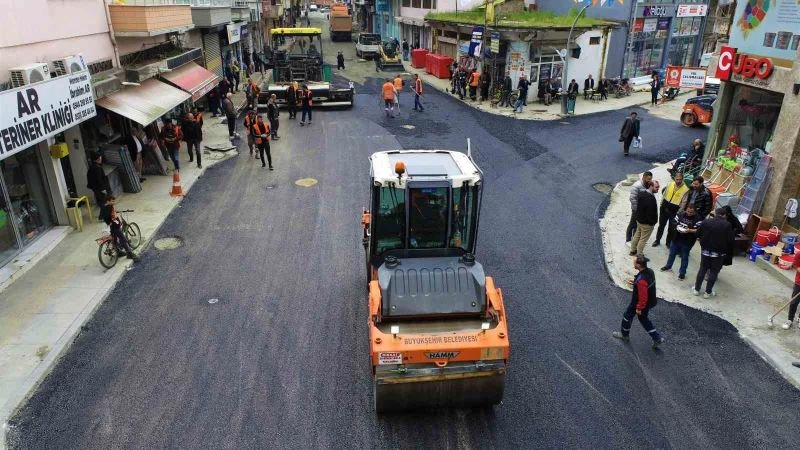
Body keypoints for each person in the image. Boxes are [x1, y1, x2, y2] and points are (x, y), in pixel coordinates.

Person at [612, 255, 665, 348]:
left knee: (627, 316)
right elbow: (646, 285)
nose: (633, 263)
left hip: (639, 303)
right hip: (649, 302)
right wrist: (635, 282)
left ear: (639, 265)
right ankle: (657, 338)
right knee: (644, 319)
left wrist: (639, 308)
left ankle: (624, 335)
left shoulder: (641, 281)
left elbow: (643, 295)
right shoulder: (650, 272)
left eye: (634, 262)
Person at [693, 207, 735, 298]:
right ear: (724, 215)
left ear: (715, 213)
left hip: (705, 251)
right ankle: (708, 293)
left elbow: (697, 234)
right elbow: (731, 240)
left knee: (702, 269)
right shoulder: (727, 225)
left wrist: (703, 242)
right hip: (719, 254)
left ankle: (696, 289)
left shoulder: (706, 222)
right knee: (714, 272)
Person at [660, 203, 702, 280]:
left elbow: (699, 230)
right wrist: (677, 226)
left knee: (684, 257)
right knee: (672, 254)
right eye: (688, 211)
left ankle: (682, 273)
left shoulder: (698, 219)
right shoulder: (680, 214)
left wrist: (689, 230)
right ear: (686, 209)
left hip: (687, 241)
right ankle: (668, 266)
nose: (689, 213)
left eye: (691, 212)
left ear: (695, 212)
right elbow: (674, 222)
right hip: (676, 238)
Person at [653, 172, 688, 247]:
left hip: (675, 211)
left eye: (680, 179)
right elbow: (664, 194)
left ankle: (668, 243)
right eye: (677, 179)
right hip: (664, 208)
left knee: (671, 228)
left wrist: (679, 212)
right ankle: (657, 240)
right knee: (661, 226)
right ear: (674, 178)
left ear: (683, 179)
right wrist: (661, 204)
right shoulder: (669, 184)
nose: (678, 181)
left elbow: (684, 203)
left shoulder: (685, 189)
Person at [100, 196, 139, 261]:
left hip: (111, 226)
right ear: (108, 201)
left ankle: (118, 252)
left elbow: (102, 217)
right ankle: (130, 254)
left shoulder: (103, 206)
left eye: (114, 201)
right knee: (123, 239)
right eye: (112, 201)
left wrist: (110, 220)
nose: (114, 202)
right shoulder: (109, 207)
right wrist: (111, 220)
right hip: (115, 225)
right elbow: (108, 215)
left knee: (114, 238)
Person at [630, 180, 660, 257]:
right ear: (651, 186)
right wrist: (652, 222)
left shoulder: (642, 193)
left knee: (637, 235)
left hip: (639, 220)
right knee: (643, 239)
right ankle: (639, 255)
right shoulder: (650, 199)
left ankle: (633, 250)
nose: (658, 189)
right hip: (647, 223)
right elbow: (650, 213)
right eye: (656, 187)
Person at [626, 171, 653, 244]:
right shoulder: (636, 186)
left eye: (650, 179)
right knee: (632, 224)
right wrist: (637, 210)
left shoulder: (649, 184)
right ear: (643, 177)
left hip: (643, 210)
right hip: (636, 210)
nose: (650, 181)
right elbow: (632, 199)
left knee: (638, 225)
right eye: (648, 179)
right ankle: (628, 240)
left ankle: (635, 239)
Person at [782, 251, 800, 329]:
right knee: (794, 301)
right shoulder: (799, 254)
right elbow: (796, 266)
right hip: (799, 282)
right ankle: (790, 320)